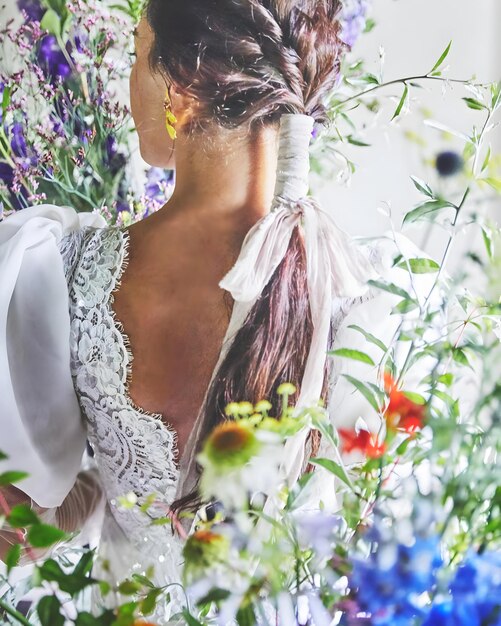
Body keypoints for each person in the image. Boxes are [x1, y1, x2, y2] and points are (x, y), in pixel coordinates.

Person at [0, 1, 431, 623]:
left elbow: (39, 516)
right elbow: (384, 553)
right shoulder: (370, 295)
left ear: (179, 84)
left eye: (136, 54)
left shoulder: (63, 270)